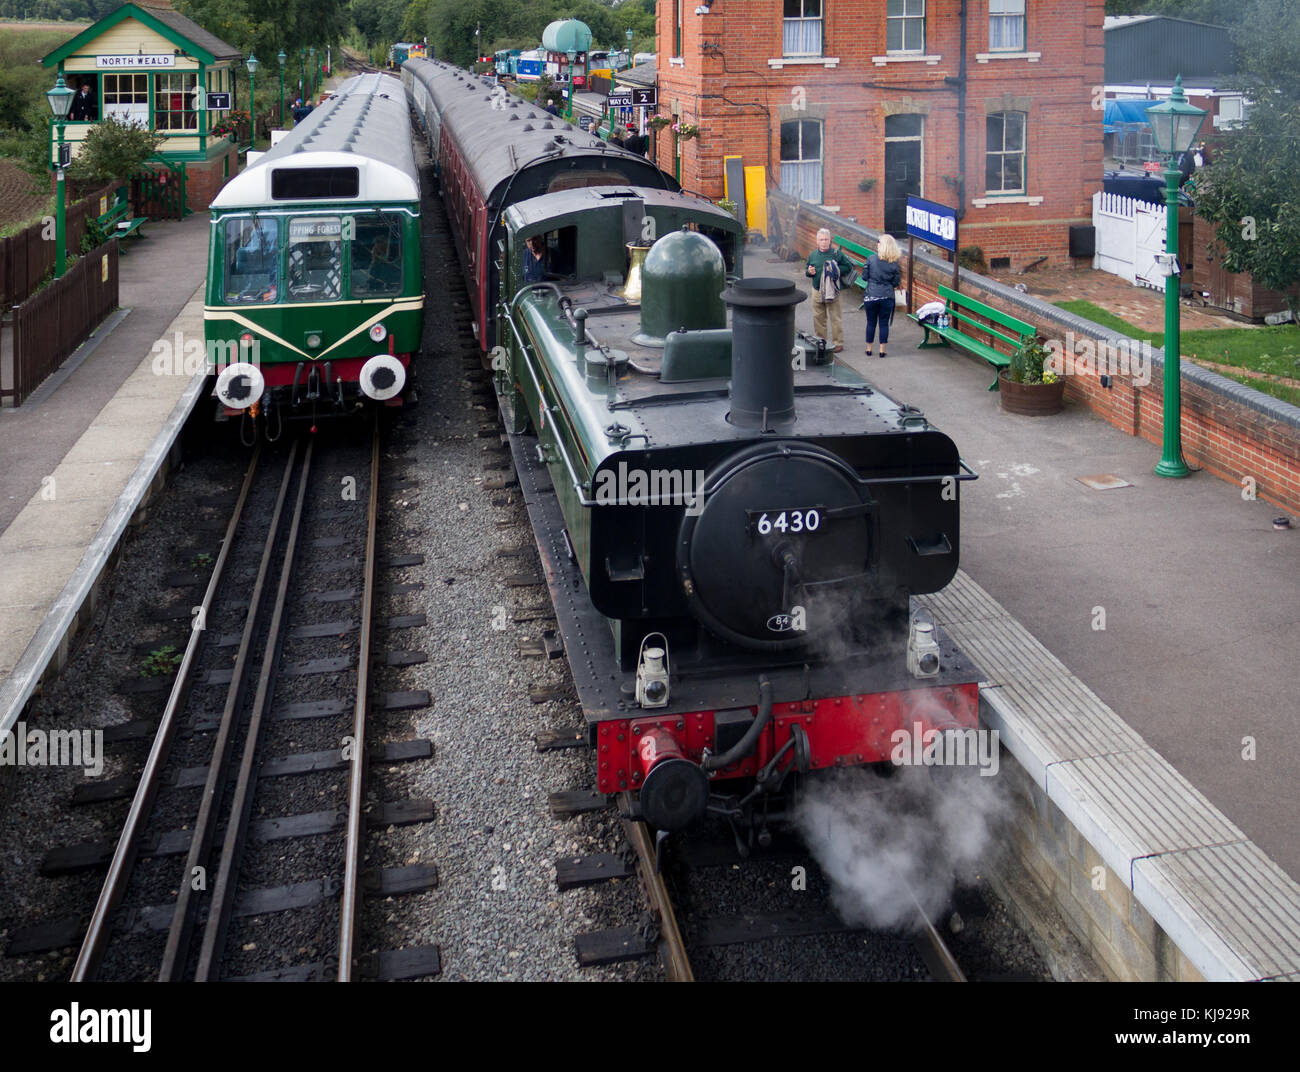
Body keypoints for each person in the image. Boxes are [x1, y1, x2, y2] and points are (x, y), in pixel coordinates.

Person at [804, 228, 855, 353]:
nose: (824, 242)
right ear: (817, 241)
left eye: (826, 239)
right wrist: (809, 272)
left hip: (833, 290)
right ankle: (821, 342)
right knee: (818, 318)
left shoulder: (836, 254)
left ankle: (838, 343)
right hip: (817, 290)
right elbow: (807, 269)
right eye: (821, 239)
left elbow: (848, 267)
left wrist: (836, 270)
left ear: (830, 240)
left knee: (835, 317)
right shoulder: (813, 255)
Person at [860, 234, 902, 358]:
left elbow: (864, 277)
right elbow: (896, 282)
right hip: (887, 296)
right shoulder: (894, 264)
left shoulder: (871, 259)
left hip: (871, 295)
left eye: (878, 242)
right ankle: (882, 350)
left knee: (871, 322)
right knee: (884, 323)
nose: (876, 244)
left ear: (882, 245)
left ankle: (869, 348)